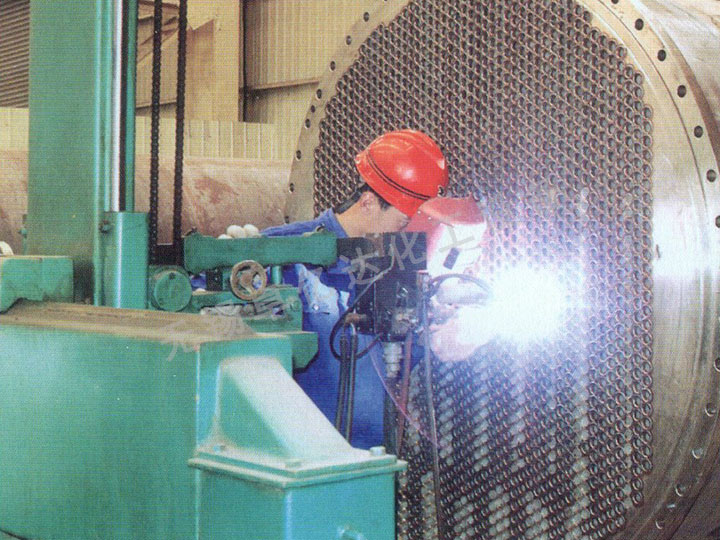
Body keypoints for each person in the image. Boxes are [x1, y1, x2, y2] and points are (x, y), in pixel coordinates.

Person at [262, 129, 448, 449]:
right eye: (403, 224)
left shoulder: (394, 260)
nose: (407, 237)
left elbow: (405, 352)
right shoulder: (283, 251)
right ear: (369, 202)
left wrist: (440, 334)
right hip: (302, 457)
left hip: (371, 456)